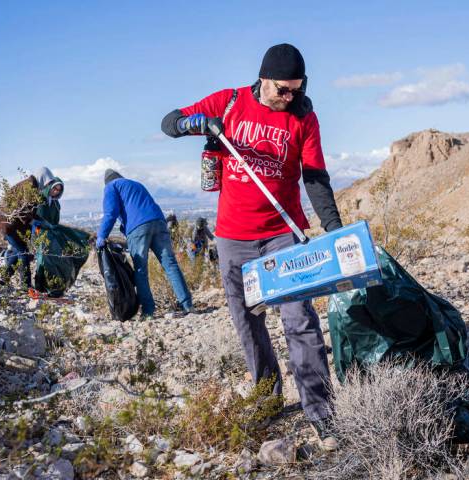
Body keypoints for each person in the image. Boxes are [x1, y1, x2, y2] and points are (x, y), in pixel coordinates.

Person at [161, 43, 343, 449]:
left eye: (297, 89)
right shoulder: (228, 102)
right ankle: (268, 400)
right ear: (263, 79)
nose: (289, 97)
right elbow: (169, 122)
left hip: (283, 232)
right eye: (283, 89)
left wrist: (333, 228)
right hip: (232, 237)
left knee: (299, 319)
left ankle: (321, 410)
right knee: (247, 321)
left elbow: (314, 176)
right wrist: (198, 125)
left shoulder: (302, 117)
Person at [95, 169, 193, 319]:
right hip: (159, 222)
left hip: (139, 228)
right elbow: (139, 207)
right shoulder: (135, 184)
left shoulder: (111, 186)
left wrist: (102, 236)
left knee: (141, 270)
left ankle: (148, 311)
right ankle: (187, 305)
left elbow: (111, 212)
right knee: (170, 264)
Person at [0, 167, 64, 290]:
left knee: (17, 252)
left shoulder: (33, 187)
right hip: (8, 223)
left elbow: (28, 212)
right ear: (43, 178)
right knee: (23, 252)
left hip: (11, 224)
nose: (49, 186)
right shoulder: (30, 187)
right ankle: (25, 286)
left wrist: (36, 222)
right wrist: (34, 222)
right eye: (50, 183)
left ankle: (3, 281)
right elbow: (23, 211)